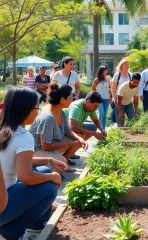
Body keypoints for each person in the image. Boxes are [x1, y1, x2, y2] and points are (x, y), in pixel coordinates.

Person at [0, 86, 66, 240]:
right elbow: (25, 176)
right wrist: (53, 177)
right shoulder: (23, 136)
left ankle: (34, 224)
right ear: (26, 110)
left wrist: (48, 160)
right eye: (37, 107)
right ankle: (12, 232)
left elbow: (15, 162)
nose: (38, 111)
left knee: (44, 170)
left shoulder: (5, 128)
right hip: (2, 206)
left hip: (3, 197)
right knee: (49, 188)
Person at [29, 84, 88, 168]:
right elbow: (45, 146)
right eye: (70, 98)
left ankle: (62, 165)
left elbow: (68, 131)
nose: (72, 100)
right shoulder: (47, 117)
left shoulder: (60, 111)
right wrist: (69, 144)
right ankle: (57, 166)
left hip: (51, 143)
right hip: (36, 150)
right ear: (62, 100)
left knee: (78, 137)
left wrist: (79, 139)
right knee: (61, 160)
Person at [110, 58, 131, 122]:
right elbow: (113, 88)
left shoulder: (130, 75)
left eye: (128, 64)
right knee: (120, 120)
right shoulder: (117, 75)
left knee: (132, 118)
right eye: (125, 64)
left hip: (128, 101)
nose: (127, 66)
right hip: (118, 101)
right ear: (121, 65)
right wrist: (114, 98)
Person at [92, 66, 112, 130]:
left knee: (105, 114)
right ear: (101, 71)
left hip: (106, 98)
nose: (106, 72)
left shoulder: (108, 79)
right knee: (101, 113)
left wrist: (111, 97)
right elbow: (93, 89)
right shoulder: (96, 80)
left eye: (106, 70)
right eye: (105, 70)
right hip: (99, 99)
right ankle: (100, 128)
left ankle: (104, 128)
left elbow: (110, 88)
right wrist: (94, 97)